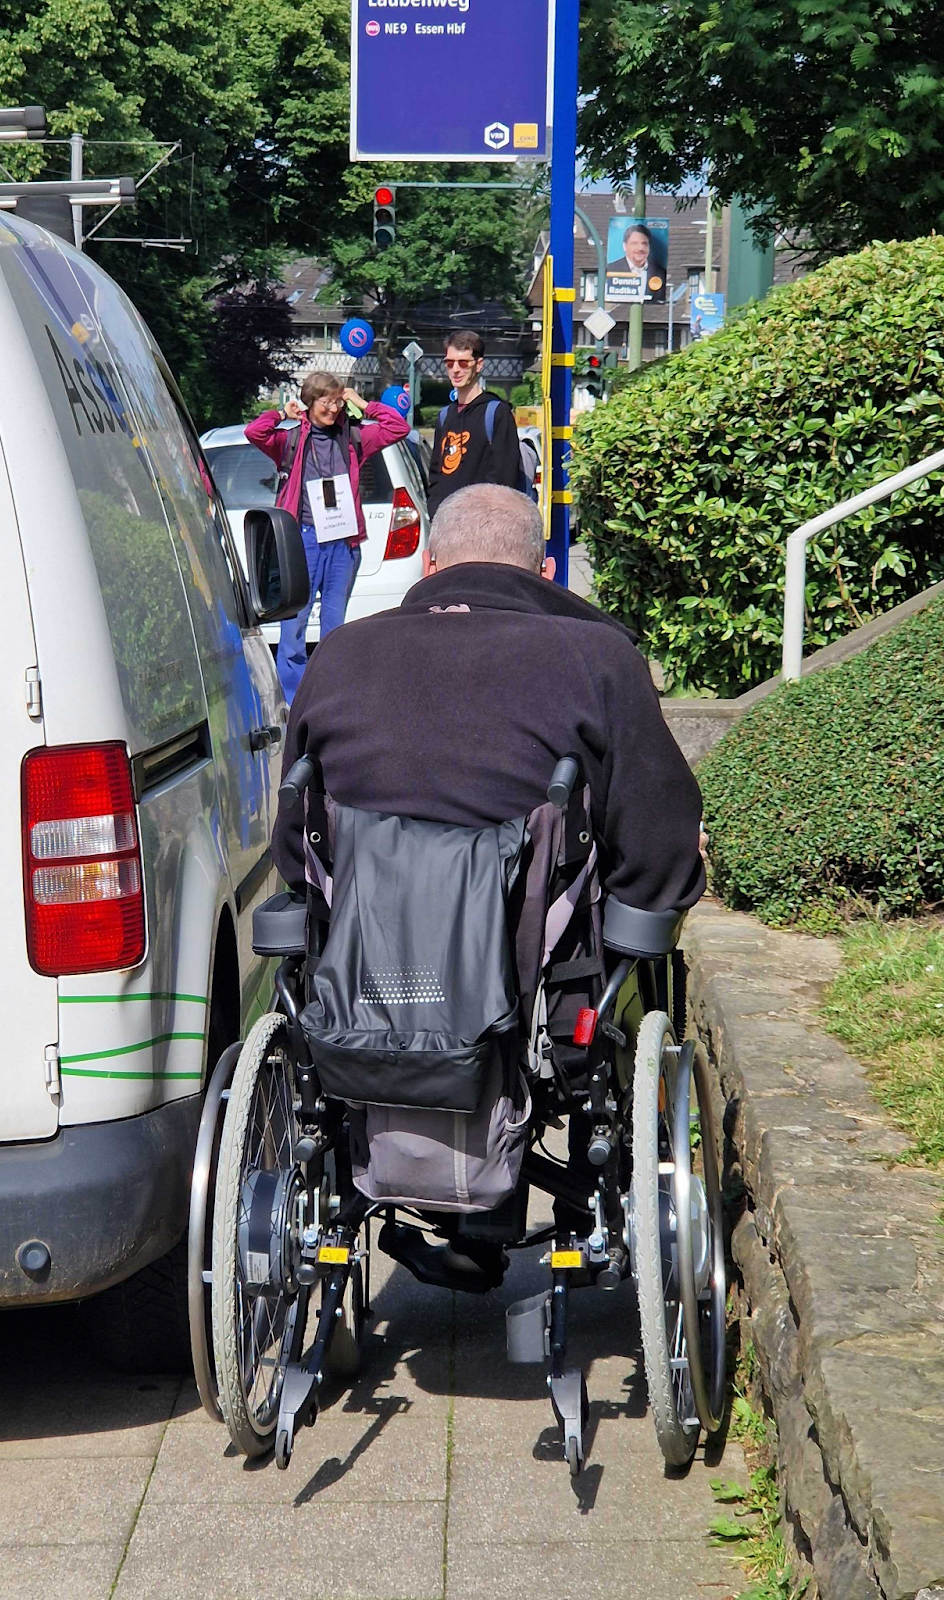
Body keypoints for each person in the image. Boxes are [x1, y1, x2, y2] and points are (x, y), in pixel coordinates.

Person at [274, 482, 704, 1281]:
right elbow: (657, 841)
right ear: (546, 570)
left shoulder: (340, 657)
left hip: (368, 976)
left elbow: (298, 850)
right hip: (532, 988)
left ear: (428, 564)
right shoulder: (600, 657)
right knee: (625, 932)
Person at [245, 372, 408, 701]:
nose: (333, 408)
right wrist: (280, 414)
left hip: (342, 543)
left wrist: (364, 404)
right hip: (303, 541)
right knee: (295, 625)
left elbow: (397, 427)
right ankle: (295, 700)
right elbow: (255, 432)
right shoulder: (291, 440)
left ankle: (331, 696)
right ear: (310, 402)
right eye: (326, 401)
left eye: (337, 401)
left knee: (335, 624)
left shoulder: (353, 436)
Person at [426, 331, 522, 516]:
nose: (455, 370)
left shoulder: (496, 412)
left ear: (478, 365)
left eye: (463, 363)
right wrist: (435, 512)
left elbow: (504, 476)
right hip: (446, 525)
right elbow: (436, 475)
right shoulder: (445, 415)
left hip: (481, 527)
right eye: (449, 363)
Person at [608, 222, 666, 302]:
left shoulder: (660, 273)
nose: (640, 248)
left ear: (649, 247)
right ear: (625, 246)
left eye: (644, 244)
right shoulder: (611, 270)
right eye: (634, 243)